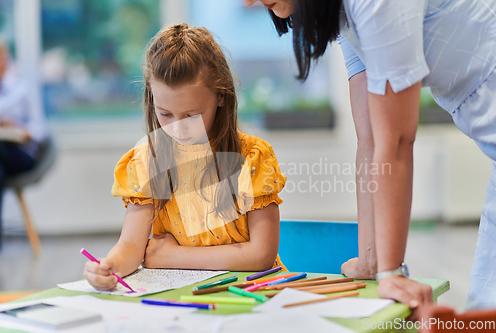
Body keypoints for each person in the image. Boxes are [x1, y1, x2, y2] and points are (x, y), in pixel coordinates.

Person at [243, 0, 496, 309]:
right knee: (484, 309)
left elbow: (398, 139)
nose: (248, 2)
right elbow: (372, 138)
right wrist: (372, 261)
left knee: (486, 312)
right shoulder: (344, 13)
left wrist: (392, 272)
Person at [83, 24, 287, 291]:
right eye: (165, 114)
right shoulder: (148, 159)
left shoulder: (252, 157)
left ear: (221, 97)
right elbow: (131, 247)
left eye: (192, 115)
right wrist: (108, 267)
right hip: (183, 296)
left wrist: (170, 256)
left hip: (254, 293)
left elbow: (261, 255)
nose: (178, 129)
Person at [0, 37, 48, 266]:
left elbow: (40, 130)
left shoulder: (21, 89)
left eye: (1, 57)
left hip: (22, 154)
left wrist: (18, 129)